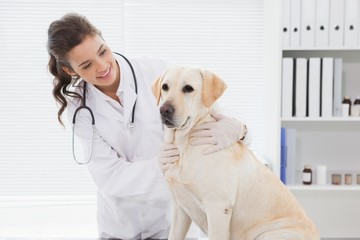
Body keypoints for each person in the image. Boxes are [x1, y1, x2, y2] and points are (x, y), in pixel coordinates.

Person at [47, 13, 249, 240]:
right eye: (86, 65)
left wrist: (240, 130)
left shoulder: (157, 72)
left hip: (175, 221)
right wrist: (159, 167)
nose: (103, 66)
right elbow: (109, 177)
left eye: (102, 51)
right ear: (70, 71)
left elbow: (210, 108)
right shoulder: (81, 109)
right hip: (121, 226)